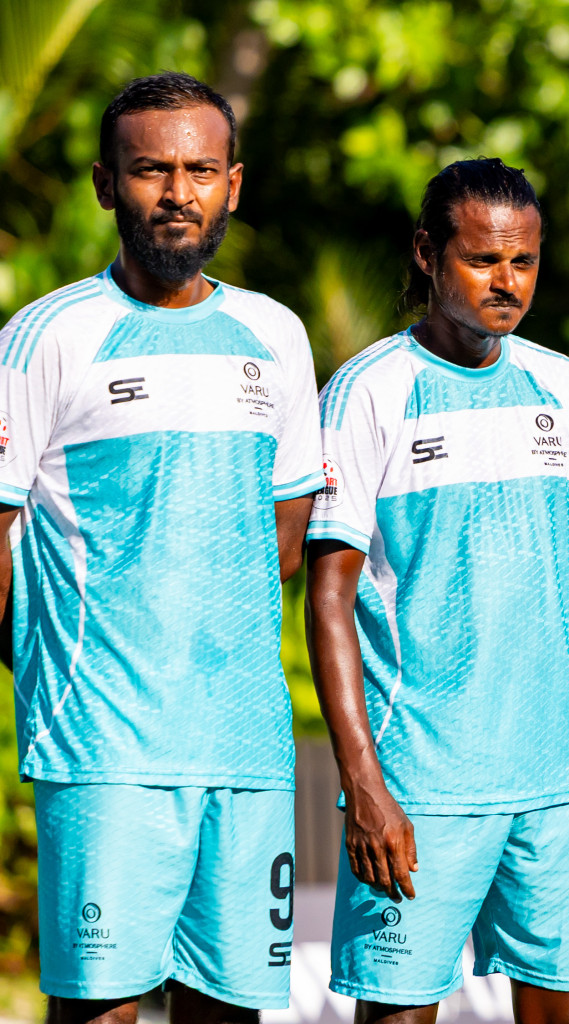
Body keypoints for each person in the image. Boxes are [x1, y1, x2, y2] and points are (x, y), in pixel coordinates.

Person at [306, 157, 569, 1024]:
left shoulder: (568, 391)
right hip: (420, 784)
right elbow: (328, 601)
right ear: (429, 254)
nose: (507, 283)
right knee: (398, 1015)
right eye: (482, 260)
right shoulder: (368, 393)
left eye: (524, 262)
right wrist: (363, 779)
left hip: (557, 781)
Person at [0, 73, 323, 1023]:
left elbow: (286, 539)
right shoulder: (44, 336)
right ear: (107, 185)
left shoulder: (276, 334)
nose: (176, 191)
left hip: (244, 744)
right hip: (102, 745)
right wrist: (55, 663)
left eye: (199, 169)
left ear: (234, 184)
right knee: (102, 1008)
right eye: (150, 169)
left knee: (227, 1009)